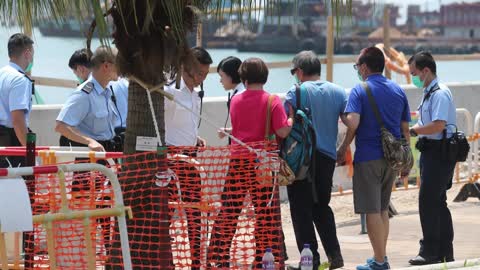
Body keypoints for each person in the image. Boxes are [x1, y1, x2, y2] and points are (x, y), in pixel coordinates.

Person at [208, 57, 292, 269]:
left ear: (243, 77)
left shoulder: (235, 100)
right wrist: (291, 119)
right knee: (264, 215)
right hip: (261, 165)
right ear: (265, 76)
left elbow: (239, 130)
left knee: (229, 211)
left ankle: (219, 255)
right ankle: (263, 259)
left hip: (237, 162)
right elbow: (282, 130)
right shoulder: (272, 101)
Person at [337, 46, 410, 270]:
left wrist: (342, 122)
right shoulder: (398, 90)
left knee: (371, 210)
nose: (358, 70)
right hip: (392, 158)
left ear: (365, 67)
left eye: (358, 66)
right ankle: (381, 256)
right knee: (382, 209)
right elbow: (405, 129)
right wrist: (408, 159)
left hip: (369, 157)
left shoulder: (360, 90)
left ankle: (379, 262)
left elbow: (354, 123)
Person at [284, 51, 345, 270]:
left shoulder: (296, 92)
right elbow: (351, 121)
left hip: (302, 160)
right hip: (327, 158)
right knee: (322, 207)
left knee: (301, 210)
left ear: (299, 71)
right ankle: (335, 254)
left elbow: (285, 128)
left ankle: (310, 261)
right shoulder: (338, 92)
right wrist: (344, 146)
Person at [163, 46, 212, 270]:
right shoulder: (170, 91)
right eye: (199, 73)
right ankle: (165, 261)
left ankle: (195, 261)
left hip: (191, 157)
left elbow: (186, 123)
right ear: (187, 68)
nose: (201, 79)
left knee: (195, 212)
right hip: (171, 158)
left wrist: (195, 138)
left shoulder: (195, 94)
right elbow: (160, 124)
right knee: (166, 212)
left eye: (205, 75)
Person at [407, 52, 456, 265]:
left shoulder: (439, 93)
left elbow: (438, 125)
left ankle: (429, 251)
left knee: (428, 202)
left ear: (426, 71)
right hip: (431, 151)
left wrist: (413, 131)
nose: (413, 78)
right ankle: (444, 251)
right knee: (437, 202)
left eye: (414, 73)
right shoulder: (429, 92)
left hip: (440, 152)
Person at [56, 46, 120, 152]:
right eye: (119, 64)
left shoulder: (107, 91)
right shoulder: (84, 94)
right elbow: (61, 126)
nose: (122, 68)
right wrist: (89, 141)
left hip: (106, 153)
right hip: (90, 158)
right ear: (106, 66)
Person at [0, 33, 35, 168]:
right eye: (32, 54)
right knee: (20, 186)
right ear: (27, 53)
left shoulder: (2, 73)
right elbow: (18, 120)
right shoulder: (20, 80)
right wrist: (30, 152)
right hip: (11, 142)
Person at [216, 56, 245, 141]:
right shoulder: (239, 91)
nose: (220, 81)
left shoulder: (241, 95)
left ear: (231, 75)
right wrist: (229, 131)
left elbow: (246, 126)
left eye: (222, 76)